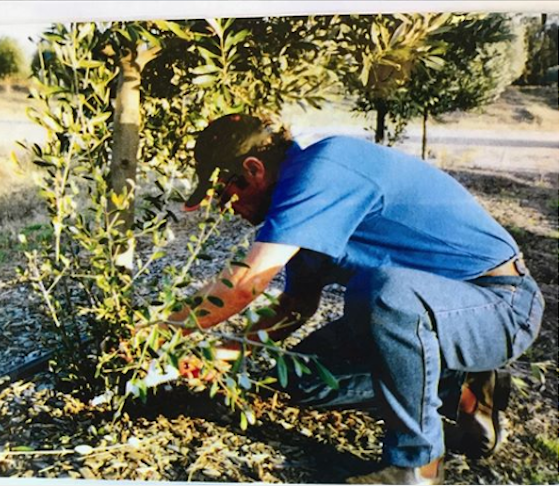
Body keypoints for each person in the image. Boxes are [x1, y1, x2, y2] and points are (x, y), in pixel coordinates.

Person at [169, 113, 544, 484]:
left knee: (382, 292)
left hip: (499, 305)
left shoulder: (323, 170)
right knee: (306, 379)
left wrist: (159, 332)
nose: (224, 207)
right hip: (430, 315)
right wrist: (224, 354)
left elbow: (244, 283)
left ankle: (417, 466)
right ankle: (460, 389)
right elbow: (294, 307)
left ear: (253, 170)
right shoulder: (299, 205)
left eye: (224, 193)